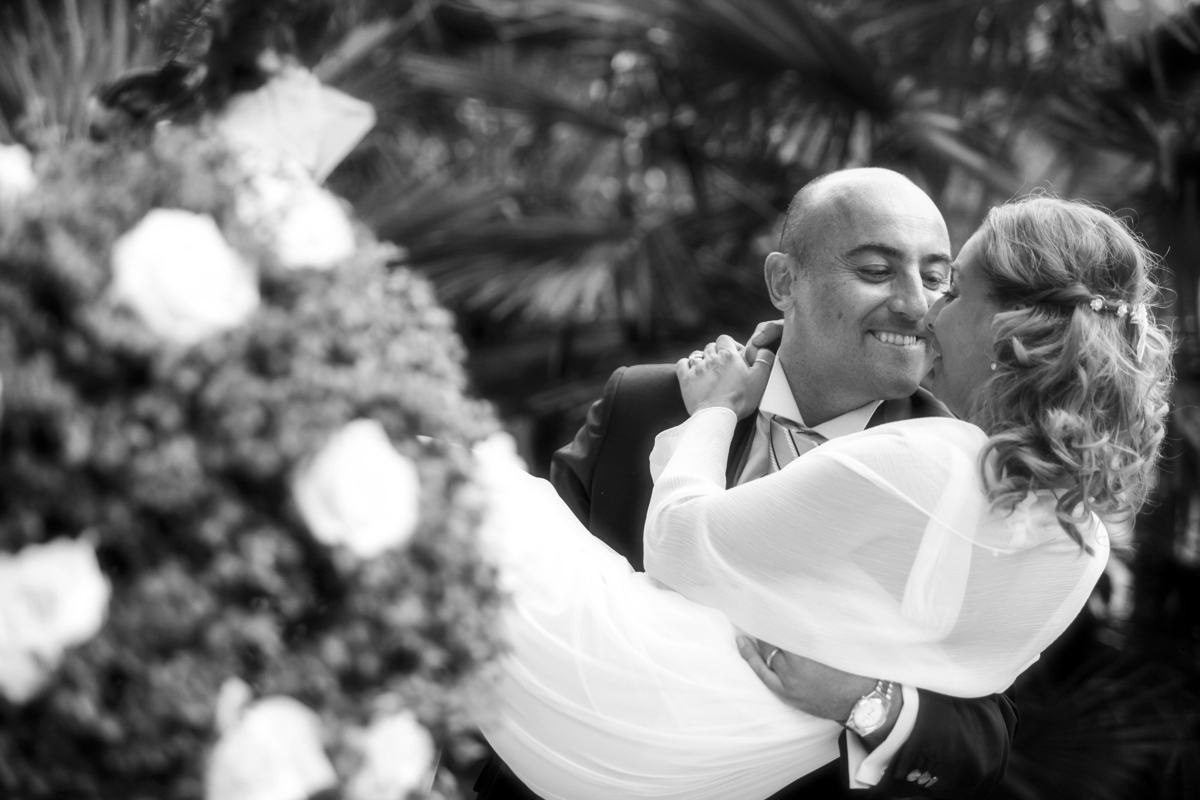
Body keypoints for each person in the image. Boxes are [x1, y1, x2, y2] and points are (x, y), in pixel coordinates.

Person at [471, 193, 1170, 800]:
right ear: (785, 281)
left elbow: (978, 726)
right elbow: (512, 615)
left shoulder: (952, 464)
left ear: (1009, 327)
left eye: (941, 281)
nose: (920, 306)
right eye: (876, 271)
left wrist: (864, 701)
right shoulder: (642, 400)